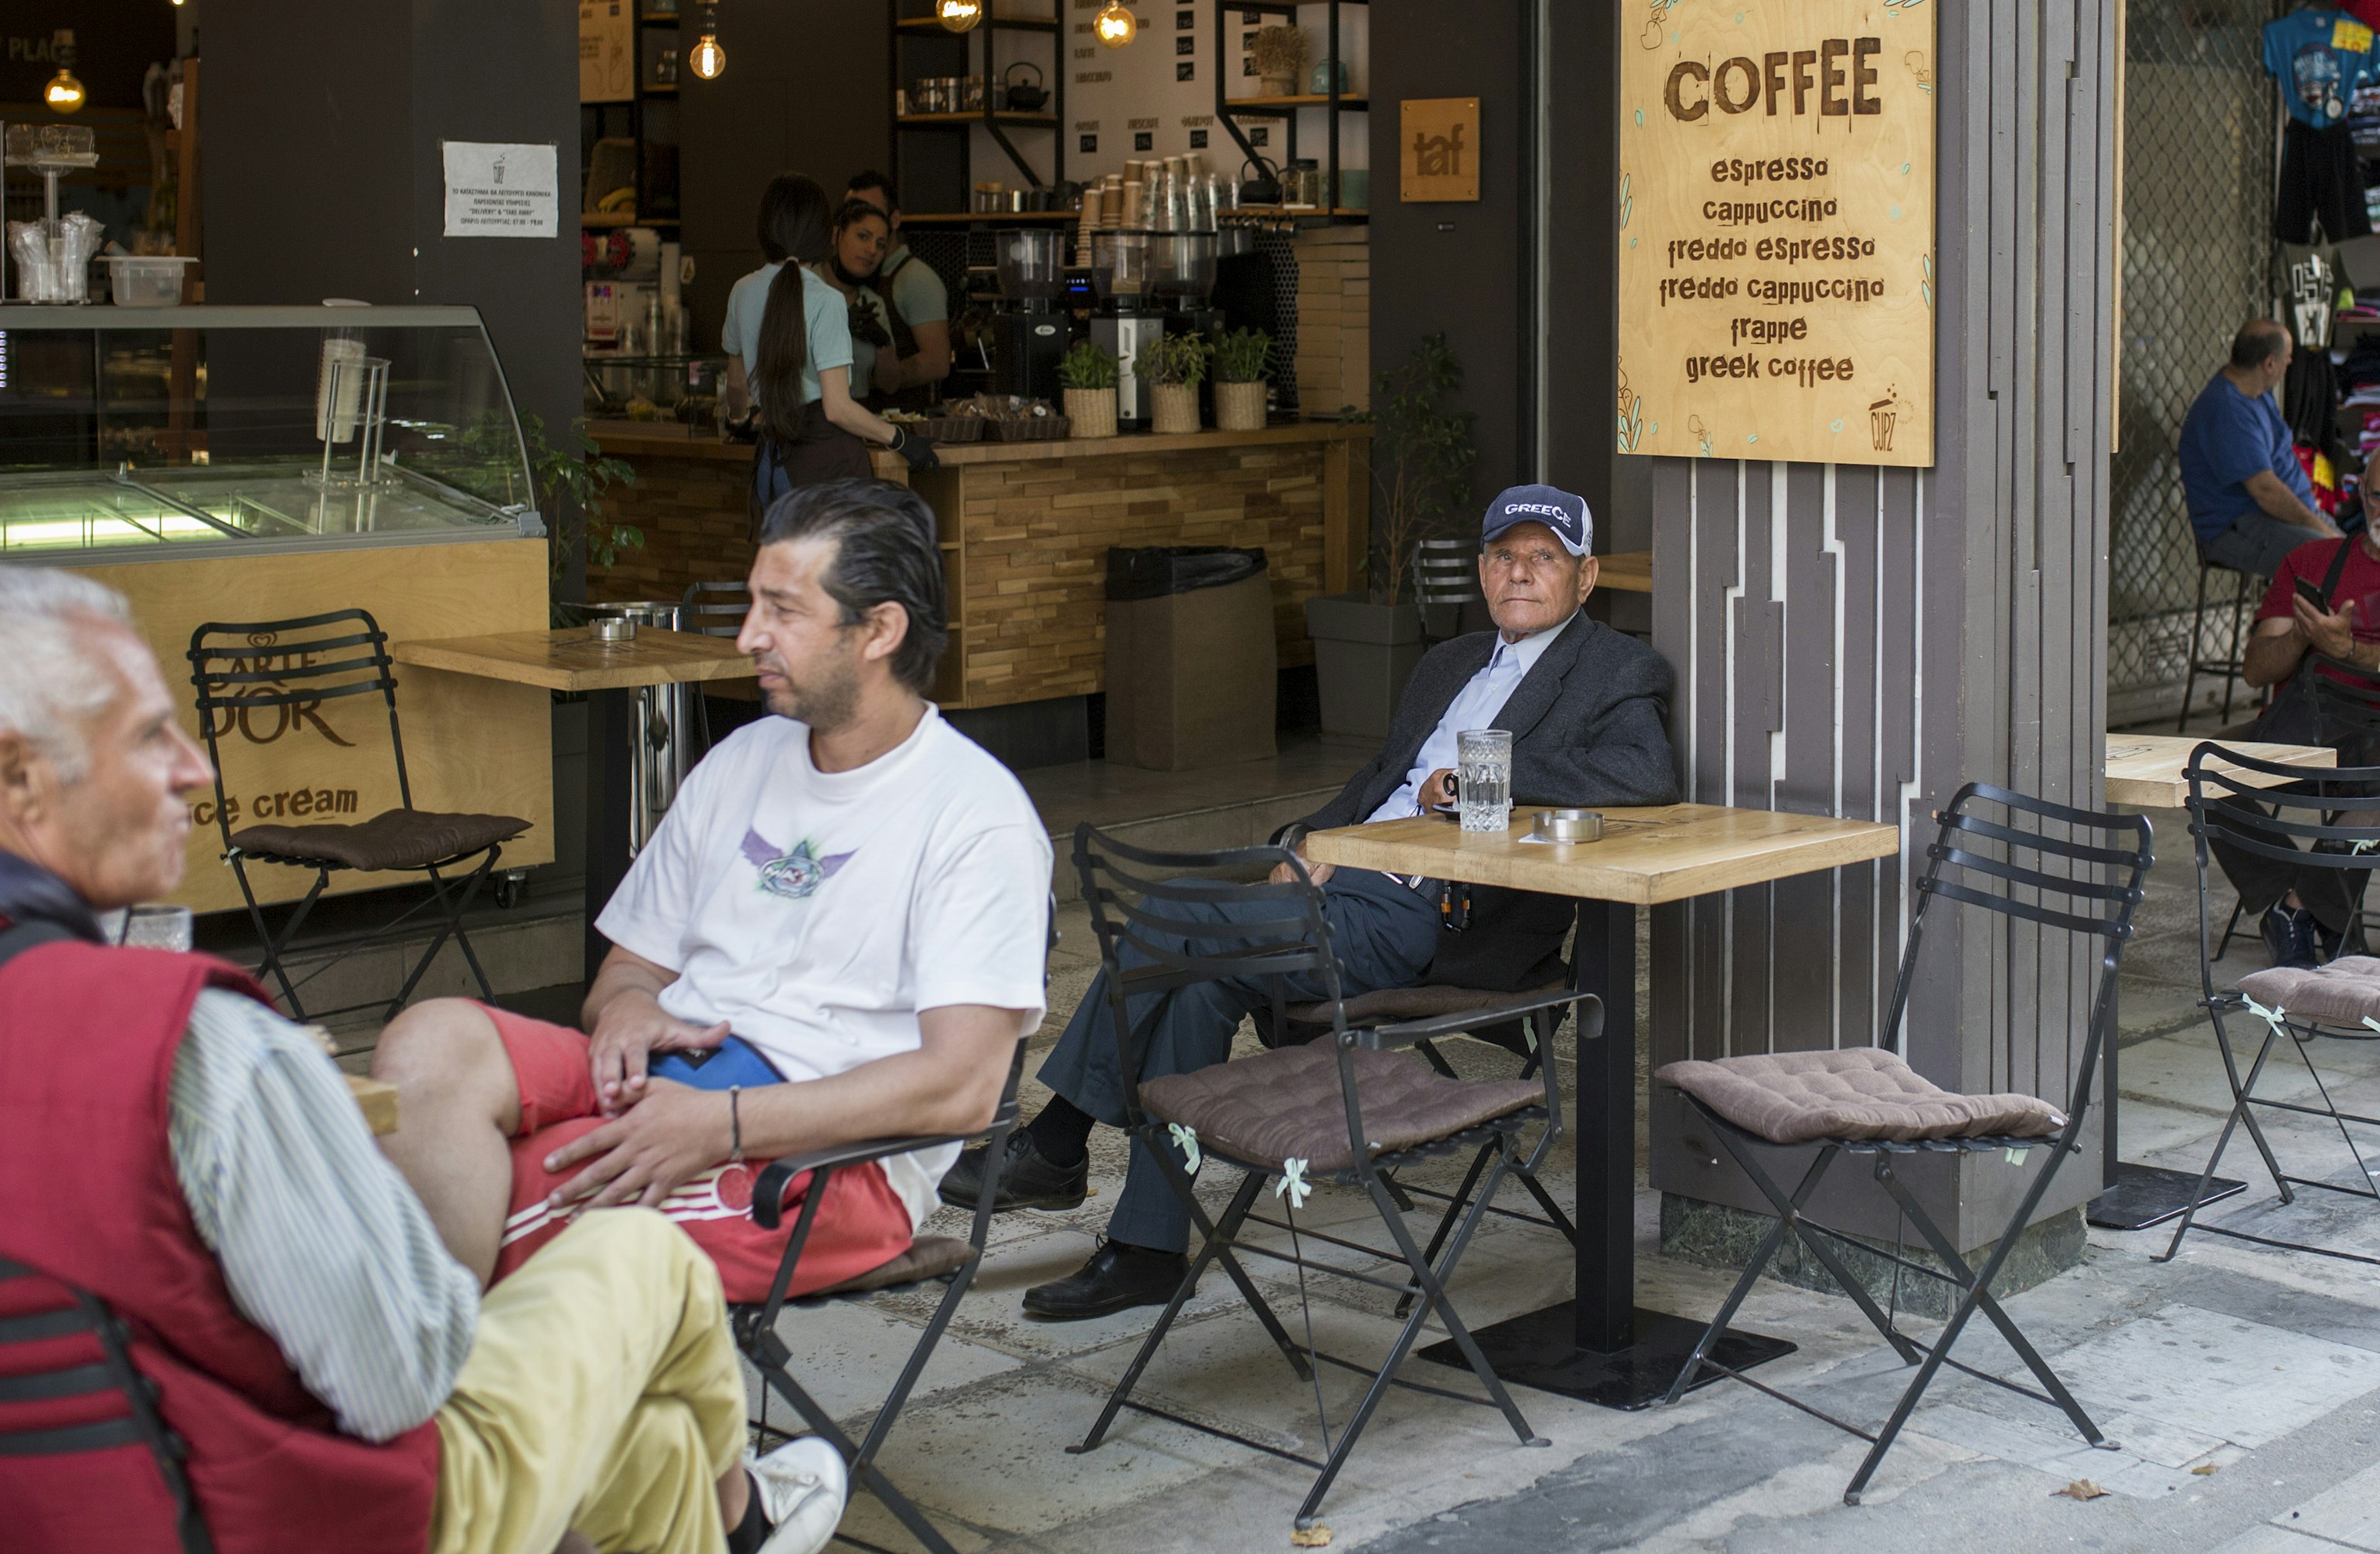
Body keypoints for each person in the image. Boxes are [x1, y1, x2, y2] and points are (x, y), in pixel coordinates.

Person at [0, 566, 847, 1554]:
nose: (199, 769)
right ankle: (748, 1522)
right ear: (19, 777)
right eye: (151, 735)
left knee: (648, 1437)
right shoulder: (194, 1046)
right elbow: (399, 1373)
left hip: (82, 1501)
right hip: (298, 1517)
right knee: (638, 1256)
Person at [960, 484, 1677, 1321]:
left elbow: (1646, 776)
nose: (1520, 573)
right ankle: (1147, 1246)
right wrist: (1305, 843)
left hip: (1433, 914)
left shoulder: (1616, 668)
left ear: (1586, 577)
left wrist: (1492, 776)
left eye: (1544, 557)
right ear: (1482, 569)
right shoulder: (1447, 663)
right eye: (1505, 556)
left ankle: (1055, 1140)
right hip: (1345, 884)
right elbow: (1375, 782)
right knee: (1196, 986)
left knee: (1170, 916)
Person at [372, 482, 1052, 1304]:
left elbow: (962, 1089)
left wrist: (724, 1122)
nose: (747, 636)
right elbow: (629, 968)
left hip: (829, 1162)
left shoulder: (975, 815)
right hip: (679, 1076)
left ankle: (431, 1406)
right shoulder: (742, 758)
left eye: (782, 611)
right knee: (430, 1042)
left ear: (879, 629)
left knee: (466, 1199)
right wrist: (623, 1009)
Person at [2226, 436, 2380, 965]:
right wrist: (2303, 636)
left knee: (2378, 795)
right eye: (2378, 497)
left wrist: (2346, 647)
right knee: (2203, 772)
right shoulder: (2309, 559)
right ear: (2360, 491)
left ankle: (2297, 909)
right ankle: (2285, 898)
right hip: (2303, 729)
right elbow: (2255, 670)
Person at [722, 173, 932, 518]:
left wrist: (738, 419)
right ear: (825, 235)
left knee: (786, 570)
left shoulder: (742, 291)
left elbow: (736, 384)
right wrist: (900, 439)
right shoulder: (827, 300)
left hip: (775, 464)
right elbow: (836, 408)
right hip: (827, 467)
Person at [2181, 320, 2337, 580]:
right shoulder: (2227, 409)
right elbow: (2265, 491)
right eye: (2287, 359)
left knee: (2358, 559)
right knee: (2329, 562)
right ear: (2269, 364)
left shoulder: (2257, 393)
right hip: (2239, 525)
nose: (2289, 365)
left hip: (2283, 517)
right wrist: (2318, 526)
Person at [843, 170, 955, 397]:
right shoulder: (844, 279)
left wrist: (862, 381)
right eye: (852, 215)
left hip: (901, 419)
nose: (863, 221)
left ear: (894, 220)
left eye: (870, 212)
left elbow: (936, 362)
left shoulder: (916, 279)